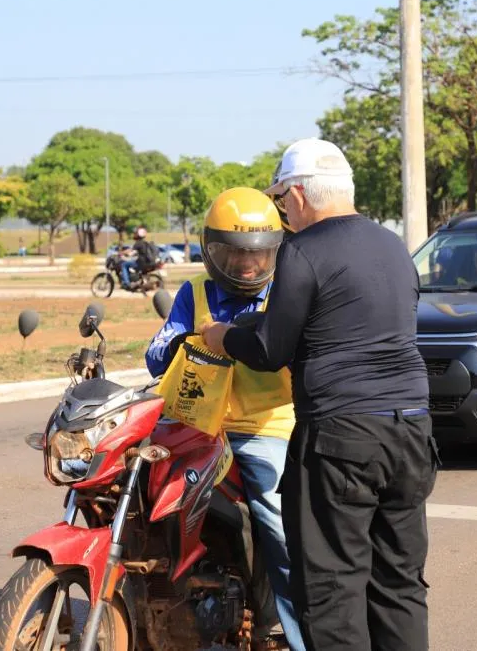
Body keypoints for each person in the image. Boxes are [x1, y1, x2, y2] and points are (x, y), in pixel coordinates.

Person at [200, 138, 437, 651]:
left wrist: (223, 336)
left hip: (341, 437)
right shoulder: (393, 247)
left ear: (299, 196)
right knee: (399, 584)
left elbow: (270, 347)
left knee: (332, 591)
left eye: (283, 202)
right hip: (411, 428)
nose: (284, 213)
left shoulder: (304, 251)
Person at [145, 187, 305, 651]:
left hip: (264, 426)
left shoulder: (286, 293)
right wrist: (178, 344)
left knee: (277, 524)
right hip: (193, 424)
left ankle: (295, 636)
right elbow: (157, 351)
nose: (247, 266)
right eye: (232, 255)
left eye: (257, 255)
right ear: (210, 249)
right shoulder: (194, 291)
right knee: (131, 486)